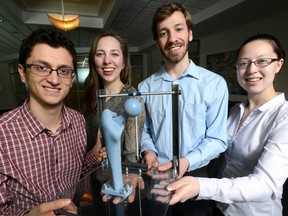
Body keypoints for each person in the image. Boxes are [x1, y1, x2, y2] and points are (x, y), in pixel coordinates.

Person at [167, 33, 288, 216]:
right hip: (219, 207)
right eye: (243, 63)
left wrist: (200, 186)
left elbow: (265, 184)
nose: (251, 70)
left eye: (262, 61)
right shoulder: (234, 111)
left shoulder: (283, 117)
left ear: (278, 64)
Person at [0, 28, 105, 216]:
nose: (54, 79)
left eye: (64, 70)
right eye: (41, 67)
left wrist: (94, 156)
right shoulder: (2, 134)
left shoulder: (78, 120)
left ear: (72, 79)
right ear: (23, 73)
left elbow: (77, 175)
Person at [138, 2, 229, 215]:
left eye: (178, 29)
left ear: (189, 33)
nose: (172, 39)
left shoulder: (214, 84)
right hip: (157, 177)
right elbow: (145, 129)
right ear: (157, 41)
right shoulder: (145, 87)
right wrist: (148, 149)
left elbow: (217, 139)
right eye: (163, 33)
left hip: (196, 177)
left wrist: (187, 162)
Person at [83, 29, 145, 214]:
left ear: (124, 62)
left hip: (120, 182)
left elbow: (132, 154)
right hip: (94, 178)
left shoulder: (132, 99)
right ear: (94, 60)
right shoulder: (94, 96)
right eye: (100, 54)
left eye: (114, 54)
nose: (107, 61)